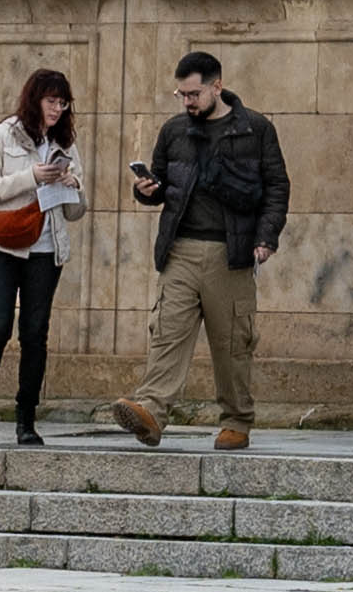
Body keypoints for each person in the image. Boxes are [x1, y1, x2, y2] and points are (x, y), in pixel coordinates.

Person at [109, 47, 288, 451]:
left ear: (216, 87)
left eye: (193, 94)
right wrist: (146, 190)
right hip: (180, 250)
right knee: (167, 333)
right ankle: (151, 411)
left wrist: (267, 237)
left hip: (232, 252)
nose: (187, 102)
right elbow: (160, 188)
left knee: (231, 344)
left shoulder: (255, 129)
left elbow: (277, 187)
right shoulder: (174, 132)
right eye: (182, 96)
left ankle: (237, 420)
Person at [0, 67, 85, 444]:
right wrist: (31, 176)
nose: (57, 109)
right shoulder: (2, 134)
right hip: (0, 243)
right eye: (51, 101)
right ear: (34, 99)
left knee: (35, 333)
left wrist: (72, 184)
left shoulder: (66, 142)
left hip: (47, 247)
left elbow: (77, 212)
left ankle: (26, 421)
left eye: (63, 103)